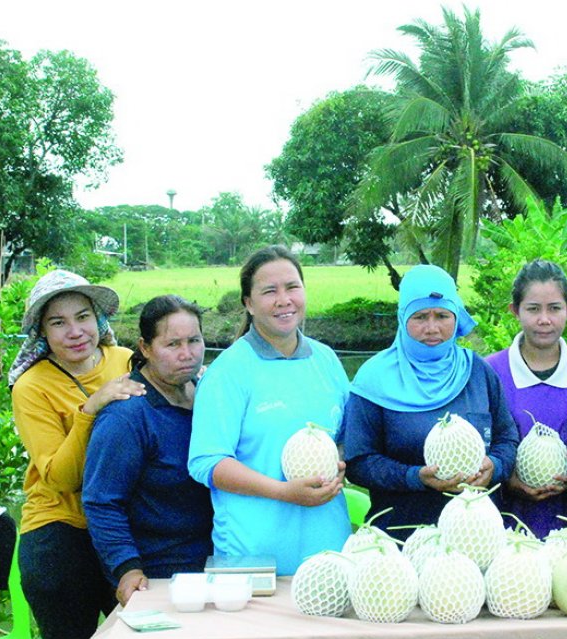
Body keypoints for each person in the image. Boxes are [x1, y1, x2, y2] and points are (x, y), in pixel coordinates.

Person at [9, 269, 146, 639]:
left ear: (98, 320)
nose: (74, 331)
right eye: (58, 322)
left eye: (82, 316)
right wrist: (91, 408)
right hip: (61, 532)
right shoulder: (32, 386)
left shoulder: (128, 362)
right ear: (42, 334)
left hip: (122, 527)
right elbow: (61, 476)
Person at [187, 246, 350, 576]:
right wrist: (283, 492)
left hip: (330, 554)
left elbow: (346, 437)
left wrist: (341, 463)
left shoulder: (326, 361)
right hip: (254, 560)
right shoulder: (229, 372)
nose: (284, 300)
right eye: (269, 291)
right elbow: (207, 462)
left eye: (292, 287)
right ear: (248, 303)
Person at [343, 265, 519, 530]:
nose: (432, 328)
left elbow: (507, 439)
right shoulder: (374, 379)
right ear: (403, 318)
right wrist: (414, 477)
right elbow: (359, 461)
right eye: (420, 316)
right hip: (401, 536)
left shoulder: (478, 372)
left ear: (457, 317)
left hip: (477, 536)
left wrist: (493, 466)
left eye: (442, 315)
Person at [83, 295, 213, 605]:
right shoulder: (127, 416)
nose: (187, 354)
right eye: (173, 345)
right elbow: (101, 501)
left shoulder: (211, 396)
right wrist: (127, 568)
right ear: (145, 348)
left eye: (194, 341)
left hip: (218, 560)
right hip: (159, 574)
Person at [485, 260, 567, 538]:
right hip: (504, 533)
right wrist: (505, 477)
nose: (544, 319)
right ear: (514, 311)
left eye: (554, 308)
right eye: (532, 309)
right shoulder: (490, 372)